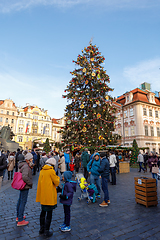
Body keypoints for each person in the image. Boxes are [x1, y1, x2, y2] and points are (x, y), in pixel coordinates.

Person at [36, 157, 60, 237]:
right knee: (49, 213)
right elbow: (56, 182)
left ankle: (41, 229)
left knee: (43, 212)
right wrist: (58, 177)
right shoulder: (51, 171)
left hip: (43, 195)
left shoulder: (42, 171)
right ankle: (46, 231)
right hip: (49, 195)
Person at [16, 152, 33, 226]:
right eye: (31, 158)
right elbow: (25, 177)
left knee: (20, 201)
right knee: (23, 202)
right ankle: (20, 220)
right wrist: (30, 183)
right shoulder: (26, 166)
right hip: (25, 186)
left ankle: (19, 216)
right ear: (28, 159)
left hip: (22, 185)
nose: (32, 160)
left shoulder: (23, 165)